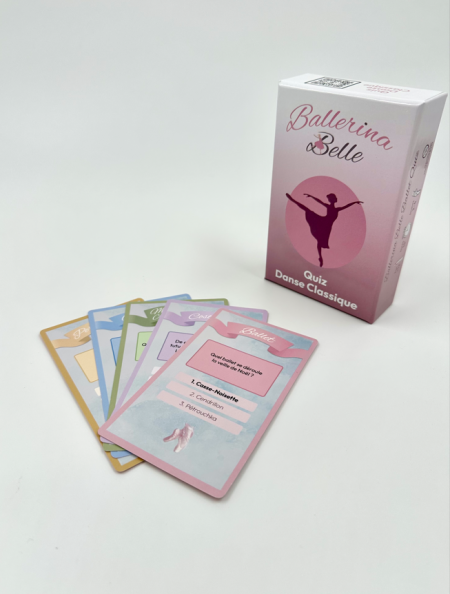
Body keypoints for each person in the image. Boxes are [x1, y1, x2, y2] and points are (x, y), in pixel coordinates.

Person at [286, 192, 363, 267]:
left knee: (320, 240)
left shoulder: (336, 209)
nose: (330, 200)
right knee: (308, 211)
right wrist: (312, 196)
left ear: (334, 200)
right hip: (324, 222)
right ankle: (293, 200)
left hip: (326, 225)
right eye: (329, 199)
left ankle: (320, 257)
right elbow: (319, 201)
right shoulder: (330, 207)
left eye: (330, 199)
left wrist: (355, 202)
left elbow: (347, 205)